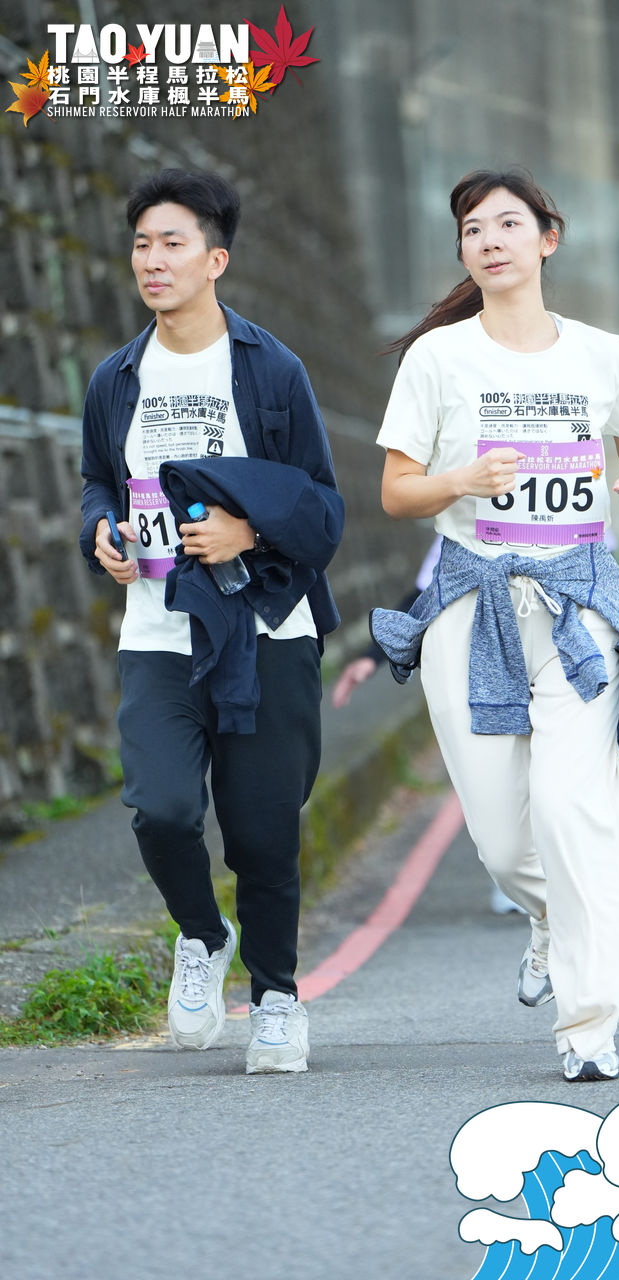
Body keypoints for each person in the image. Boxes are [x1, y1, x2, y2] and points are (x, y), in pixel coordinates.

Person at [369, 168, 619, 1084]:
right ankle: (545, 918)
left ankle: (588, 1025)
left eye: (507, 223)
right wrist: (460, 481)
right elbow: (396, 491)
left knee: (578, 813)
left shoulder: (602, 354)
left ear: (547, 238)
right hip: (473, 608)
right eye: (472, 228)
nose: (489, 240)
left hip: (579, 604)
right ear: (462, 250)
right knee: (503, 842)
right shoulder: (438, 359)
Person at [79, 169, 343, 1074]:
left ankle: (276, 1000)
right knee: (160, 810)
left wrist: (248, 532)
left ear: (214, 260)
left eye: (172, 243)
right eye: (142, 244)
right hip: (156, 631)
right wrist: (101, 534)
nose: (152, 261)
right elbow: (99, 483)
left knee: (263, 833)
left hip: (265, 631)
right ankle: (201, 934)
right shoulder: (116, 378)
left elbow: (322, 507)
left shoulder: (271, 372)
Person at [332, 533, 524, 915]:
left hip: (554, 659)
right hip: (489, 668)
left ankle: (553, 878)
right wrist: (372, 657)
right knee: (503, 773)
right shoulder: (462, 523)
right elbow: (424, 595)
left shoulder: (571, 504)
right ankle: (517, 876)